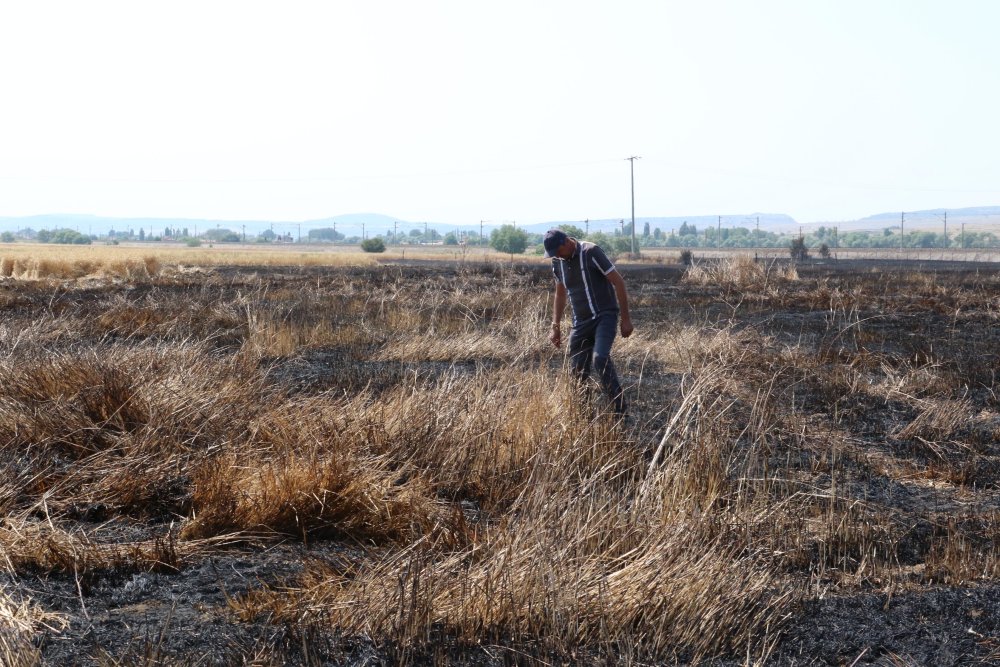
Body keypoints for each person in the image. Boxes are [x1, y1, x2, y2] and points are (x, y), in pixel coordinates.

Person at [544, 229, 633, 417]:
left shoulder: (590, 252)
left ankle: (621, 411)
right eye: (554, 254)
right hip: (580, 323)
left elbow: (619, 282)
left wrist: (625, 319)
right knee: (576, 371)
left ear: (567, 242)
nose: (557, 256)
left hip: (604, 316)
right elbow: (560, 294)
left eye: (558, 251)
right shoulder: (557, 262)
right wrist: (555, 326)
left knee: (600, 358)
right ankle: (583, 415)